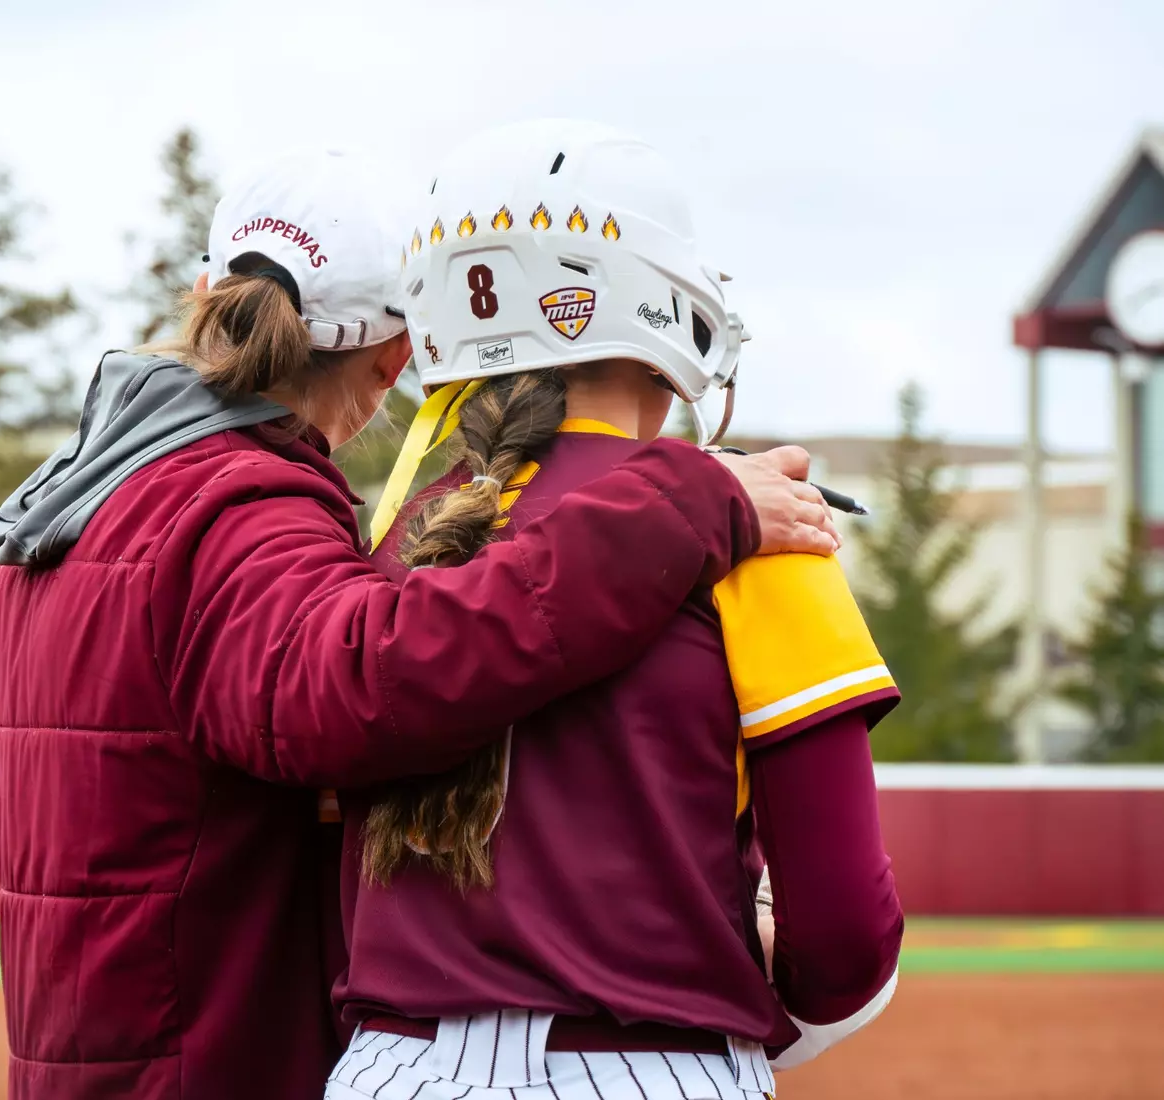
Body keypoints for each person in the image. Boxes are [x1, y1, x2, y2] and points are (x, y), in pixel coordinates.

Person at [0, 146, 839, 1100]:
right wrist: (684, 503)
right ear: (396, 357)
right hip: (207, 1059)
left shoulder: (60, 518)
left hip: (86, 1050)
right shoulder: (229, 512)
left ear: (203, 291)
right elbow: (365, 682)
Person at [329, 121, 904, 1100]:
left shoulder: (381, 547)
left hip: (388, 1069)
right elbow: (845, 932)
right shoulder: (757, 525)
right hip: (648, 1066)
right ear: (662, 302)